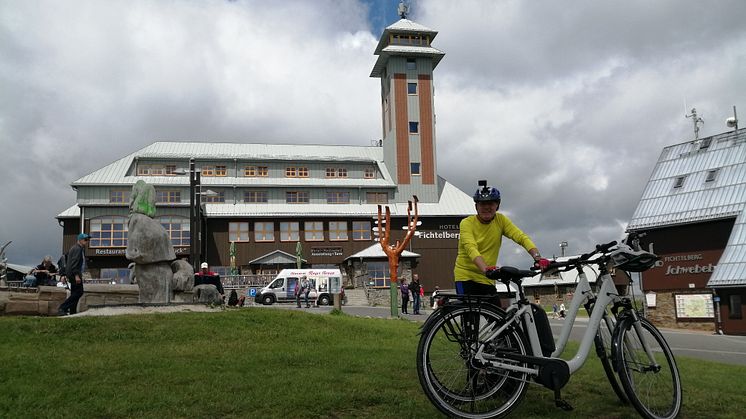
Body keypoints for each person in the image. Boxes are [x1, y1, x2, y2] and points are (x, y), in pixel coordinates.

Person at [453, 180, 549, 304]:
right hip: (466, 276)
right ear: (476, 206)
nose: (487, 207)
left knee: (498, 318)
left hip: (487, 279)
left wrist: (537, 258)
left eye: (491, 203)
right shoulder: (466, 223)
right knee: (470, 318)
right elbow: (471, 248)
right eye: (482, 204)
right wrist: (486, 269)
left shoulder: (500, 220)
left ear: (497, 205)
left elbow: (521, 237)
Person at [58, 233, 90, 315]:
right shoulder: (77, 249)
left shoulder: (76, 248)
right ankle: (63, 307)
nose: (87, 241)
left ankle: (72, 312)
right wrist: (76, 275)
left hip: (72, 274)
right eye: (85, 240)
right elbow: (74, 263)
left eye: (88, 240)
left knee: (74, 293)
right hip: (74, 274)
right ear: (80, 240)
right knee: (79, 292)